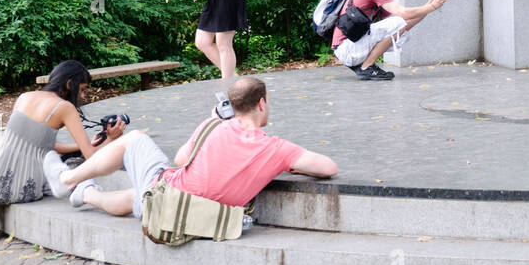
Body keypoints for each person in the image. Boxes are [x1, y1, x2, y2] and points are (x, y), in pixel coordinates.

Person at [50, 77, 336, 220]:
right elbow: (328, 168)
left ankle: (69, 180)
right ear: (262, 103)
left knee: (135, 141)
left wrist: (211, 119)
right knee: (140, 192)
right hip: (194, 217)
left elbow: (181, 158)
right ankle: (80, 190)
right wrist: (292, 163)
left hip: (166, 205)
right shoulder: (277, 150)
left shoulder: (214, 126)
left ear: (232, 107)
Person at [0, 60, 124, 242]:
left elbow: (37, 142)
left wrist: (84, 144)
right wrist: (111, 139)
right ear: (69, 84)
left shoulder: (25, 97)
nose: (83, 95)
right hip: (25, 184)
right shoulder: (65, 108)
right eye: (82, 89)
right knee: (72, 165)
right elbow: (90, 157)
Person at [331, 0, 447, 80]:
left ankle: (366, 65)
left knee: (399, 26)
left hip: (351, 48)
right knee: (397, 22)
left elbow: (402, 26)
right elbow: (401, 15)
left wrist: (428, 7)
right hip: (346, 49)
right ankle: (367, 67)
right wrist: (431, 7)